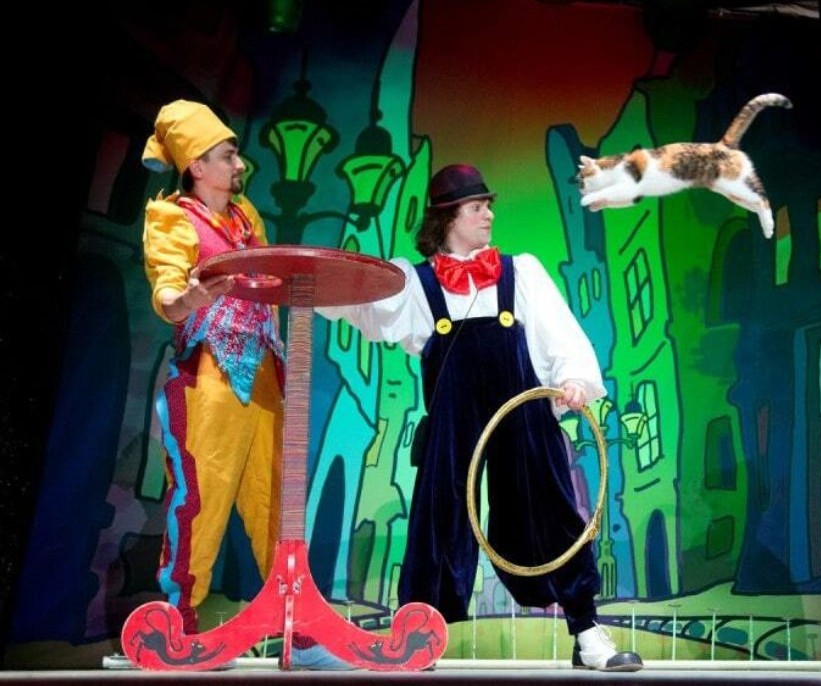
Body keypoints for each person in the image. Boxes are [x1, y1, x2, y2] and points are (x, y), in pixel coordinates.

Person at [319, 163, 643, 672]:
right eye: (477, 207)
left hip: (523, 406)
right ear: (449, 218)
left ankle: (587, 632)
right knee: (438, 517)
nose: (488, 214)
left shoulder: (521, 272)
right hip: (454, 418)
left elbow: (558, 332)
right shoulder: (415, 282)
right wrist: (314, 285)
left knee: (552, 508)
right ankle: (418, 634)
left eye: (488, 205)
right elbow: (363, 303)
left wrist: (574, 378)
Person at [141, 100, 337, 670]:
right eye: (228, 156)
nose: (239, 164)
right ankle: (178, 630)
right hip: (209, 376)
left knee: (277, 504)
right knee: (199, 501)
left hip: (265, 375)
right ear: (197, 166)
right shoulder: (174, 218)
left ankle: (300, 633)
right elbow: (168, 293)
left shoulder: (246, 215)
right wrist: (188, 298)